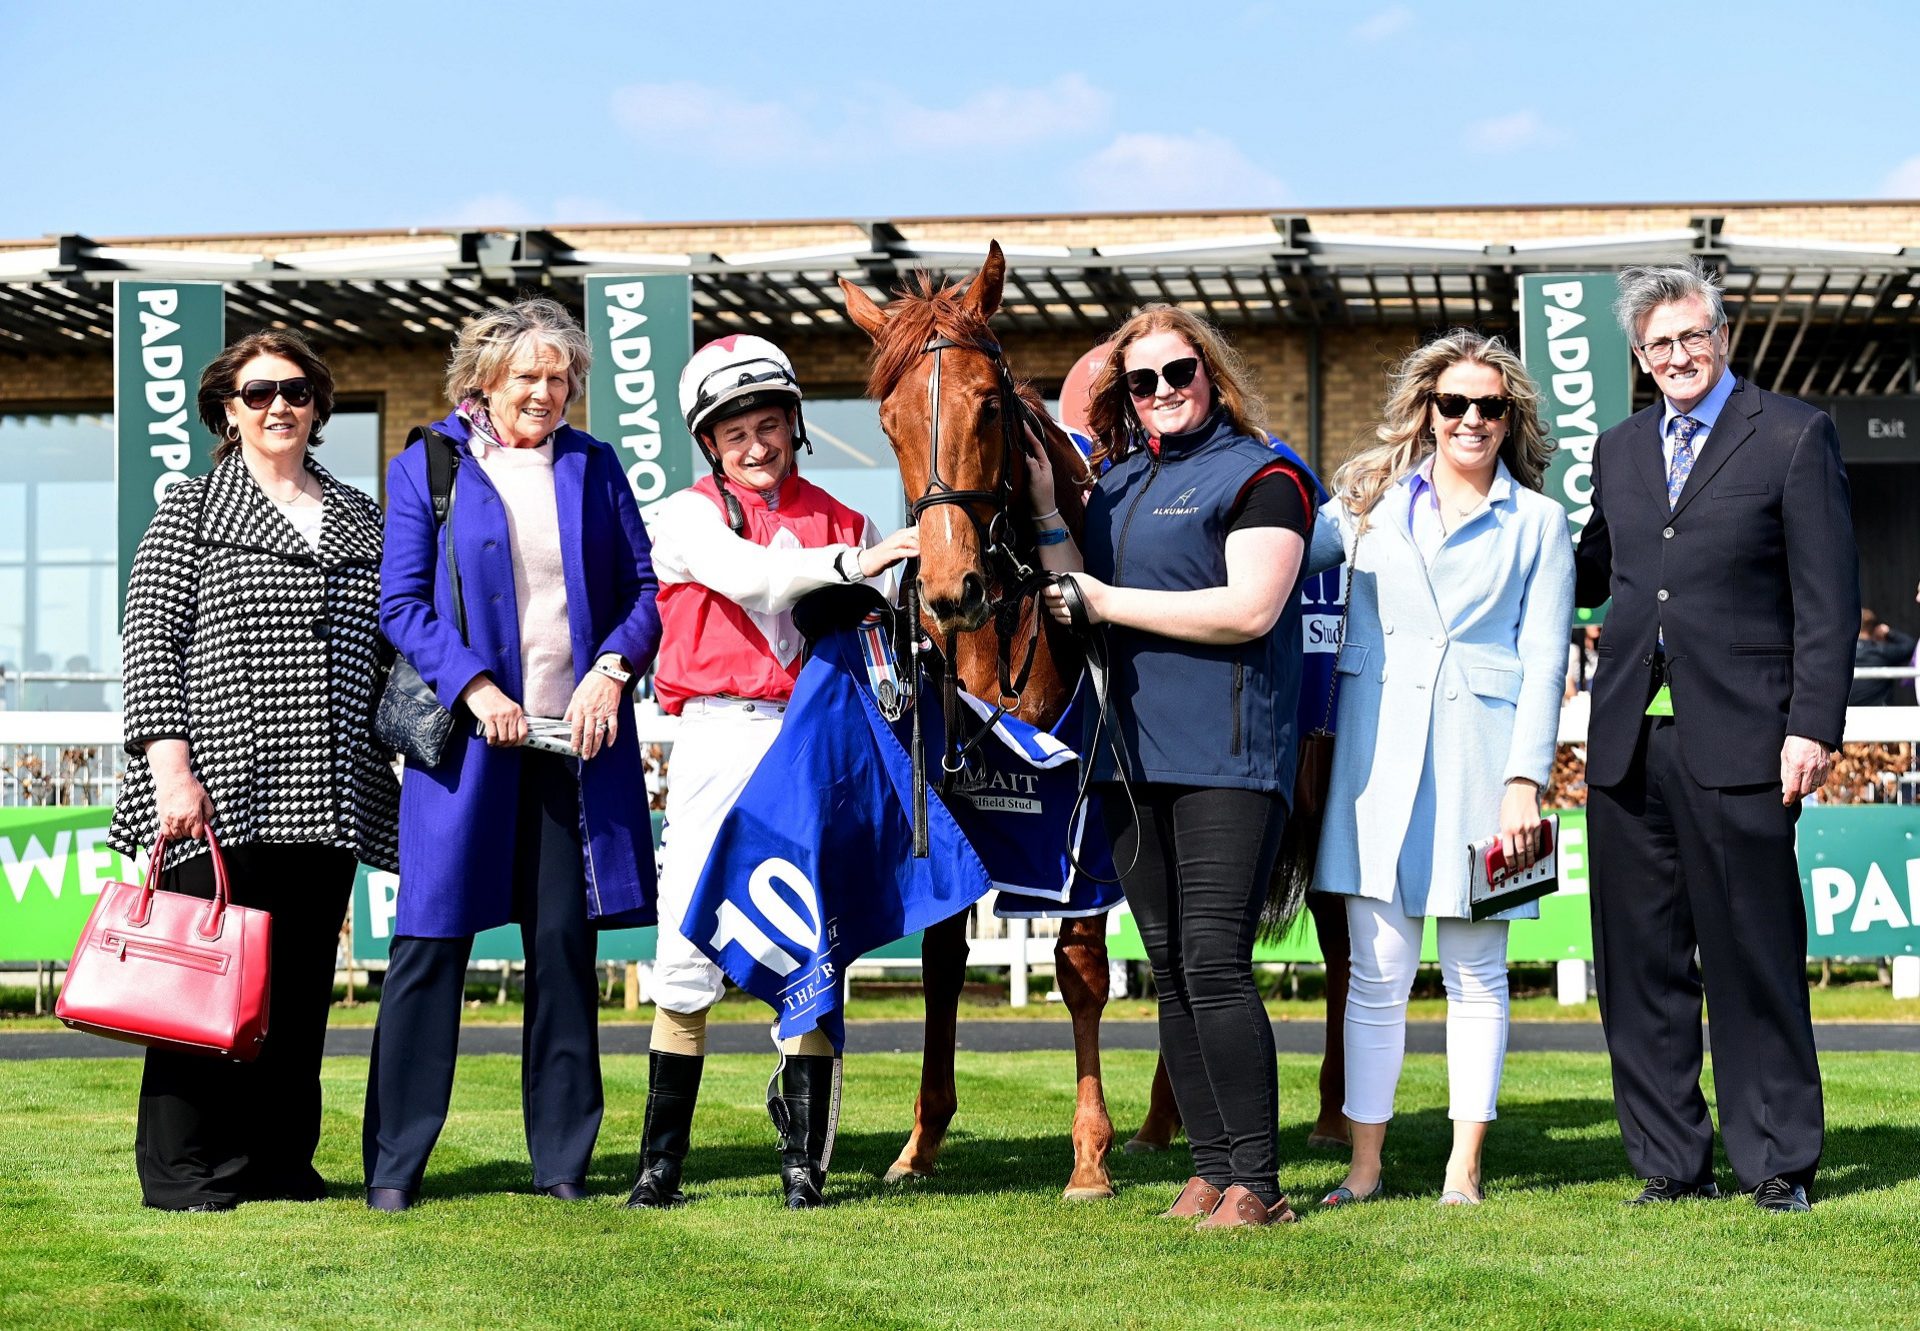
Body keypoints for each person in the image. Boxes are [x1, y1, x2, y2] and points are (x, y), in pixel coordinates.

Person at [363, 297, 660, 1211]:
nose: (544, 391)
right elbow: (402, 605)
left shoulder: (595, 465)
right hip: (469, 744)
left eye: (560, 376)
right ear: (482, 378)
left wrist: (612, 669)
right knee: (430, 945)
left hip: (576, 747)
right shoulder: (426, 466)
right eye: (527, 374)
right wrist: (477, 687)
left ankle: (563, 1162)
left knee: (564, 951)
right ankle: (394, 1165)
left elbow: (645, 589)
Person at [1576, 260, 1857, 1213]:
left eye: (1694, 335)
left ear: (1722, 336)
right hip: (1625, 744)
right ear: (1640, 358)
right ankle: (1669, 1160)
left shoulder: (1789, 434)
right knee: (1639, 963)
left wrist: (1812, 724)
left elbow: (1828, 596)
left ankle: (1778, 1159)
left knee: (1752, 955)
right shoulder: (1616, 451)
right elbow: (1592, 571)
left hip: (1744, 738)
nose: (1680, 354)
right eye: (1660, 343)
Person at [1031, 304, 1313, 1229]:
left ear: (1210, 372)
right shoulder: (1115, 487)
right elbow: (1078, 590)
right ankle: (1211, 1167)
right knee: (1170, 967)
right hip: (1128, 760)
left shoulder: (1265, 474)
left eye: (1177, 373)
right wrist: (1044, 512)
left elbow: (1251, 610)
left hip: (1230, 756)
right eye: (1139, 382)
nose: (1160, 393)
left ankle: (1260, 1183)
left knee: (1214, 962)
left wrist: (1110, 598)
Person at [625, 334, 916, 1211]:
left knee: (808, 947)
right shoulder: (682, 516)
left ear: (795, 423)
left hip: (810, 744)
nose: (755, 445)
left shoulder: (848, 516)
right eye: (734, 432)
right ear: (708, 443)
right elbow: (750, 578)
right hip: (714, 738)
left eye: (769, 425)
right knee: (684, 950)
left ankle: (803, 1162)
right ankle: (659, 1164)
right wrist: (856, 566)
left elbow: (888, 639)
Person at [108, 330, 398, 1211]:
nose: (282, 405)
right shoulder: (191, 509)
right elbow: (150, 642)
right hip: (217, 791)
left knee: (300, 990)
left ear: (319, 407)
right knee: (200, 987)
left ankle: (279, 1162)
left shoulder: (362, 515)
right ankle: (187, 1168)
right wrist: (170, 770)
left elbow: (394, 646)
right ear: (228, 409)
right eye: (261, 391)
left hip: (329, 790)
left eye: (299, 391)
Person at [1306, 330, 1573, 1208]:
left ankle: (1464, 1168)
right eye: (1453, 402)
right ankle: (1365, 1166)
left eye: (1488, 406)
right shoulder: (1365, 501)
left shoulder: (1540, 521)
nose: (1470, 419)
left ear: (1510, 419)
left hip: (1492, 771)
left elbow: (1545, 658)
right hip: (1374, 765)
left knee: (1477, 972)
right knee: (1376, 976)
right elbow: (1275, 563)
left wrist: (1524, 782)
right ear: (1426, 410)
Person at [1850, 609, 1916, 706]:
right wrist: (1888, 632)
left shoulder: (1840, 653)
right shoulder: (1882, 651)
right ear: (1875, 629)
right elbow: (1911, 646)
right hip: (1879, 715)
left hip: (1846, 713)